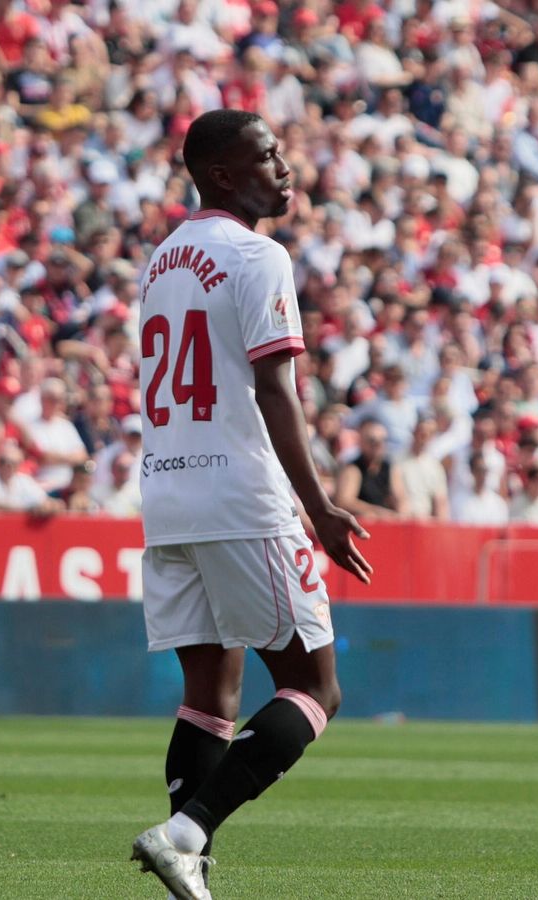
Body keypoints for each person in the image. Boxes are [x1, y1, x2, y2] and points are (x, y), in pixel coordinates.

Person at [129, 109, 372, 900]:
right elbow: (275, 389)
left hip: (169, 495)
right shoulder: (257, 254)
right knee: (315, 688)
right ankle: (185, 834)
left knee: (209, 698)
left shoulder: (163, 260)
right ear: (224, 174)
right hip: (240, 495)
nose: (285, 166)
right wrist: (322, 508)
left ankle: (193, 870)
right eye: (266, 155)